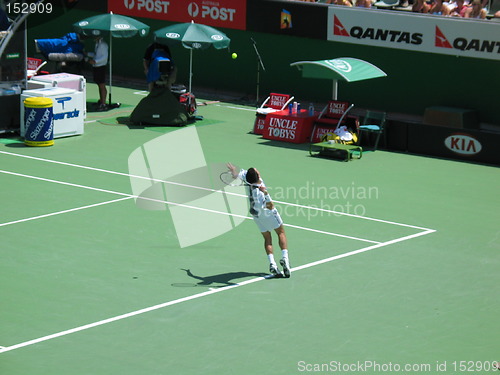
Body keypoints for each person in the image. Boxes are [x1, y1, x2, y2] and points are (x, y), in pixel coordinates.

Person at [226, 163, 291, 278]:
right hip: (265, 211)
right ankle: (285, 259)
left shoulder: (246, 176)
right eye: (256, 170)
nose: (257, 169)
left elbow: (237, 176)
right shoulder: (258, 193)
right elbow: (270, 206)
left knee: (267, 237)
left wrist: (234, 172)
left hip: (255, 215)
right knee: (281, 232)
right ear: (257, 175)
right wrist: (265, 192)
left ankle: (272, 263)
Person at [86, 35, 108, 111]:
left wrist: (95, 61)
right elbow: (96, 55)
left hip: (101, 67)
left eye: (95, 36)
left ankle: (104, 104)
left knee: (102, 85)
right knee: (99, 84)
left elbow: (104, 57)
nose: (93, 37)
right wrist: (87, 54)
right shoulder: (97, 44)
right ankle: (101, 101)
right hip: (96, 67)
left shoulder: (103, 45)